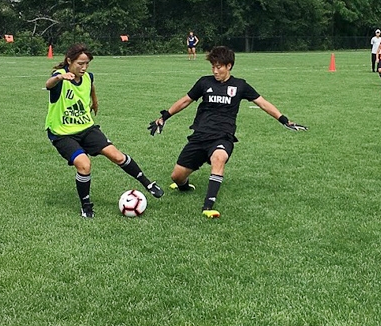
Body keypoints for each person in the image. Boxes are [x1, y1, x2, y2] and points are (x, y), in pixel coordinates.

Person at [148, 46, 307, 219]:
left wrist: (284, 120)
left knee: (219, 157)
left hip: (223, 136)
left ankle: (208, 206)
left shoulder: (240, 85)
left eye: (219, 67)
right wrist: (164, 117)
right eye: (213, 67)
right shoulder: (204, 82)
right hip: (200, 136)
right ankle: (184, 185)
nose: (215, 71)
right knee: (177, 176)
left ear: (229, 66)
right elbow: (185, 101)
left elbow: (263, 103)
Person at [45, 44, 164, 218]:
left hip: (87, 128)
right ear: (69, 61)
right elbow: (49, 84)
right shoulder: (59, 77)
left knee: (117, 156)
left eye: (87, 64)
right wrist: (60, 77)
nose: (84, 68)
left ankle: (147, 183)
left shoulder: (87, 77)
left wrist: (95, 101)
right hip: (62, 133)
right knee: (84, 164)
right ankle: (86, 206)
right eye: (80, 63)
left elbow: (90, 85)